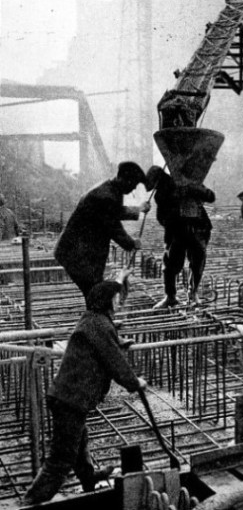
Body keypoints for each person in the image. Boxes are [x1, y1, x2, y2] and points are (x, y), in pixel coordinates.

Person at [20, 273, 147, 506]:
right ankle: (29, 502)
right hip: (71, 399)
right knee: (61, 459)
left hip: (66, 396)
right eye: (116, 299)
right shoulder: (100, 325)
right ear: (106, 301)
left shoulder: (93, 320)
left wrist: (119, 343)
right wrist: (135, 382)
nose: (119, 303)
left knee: (79, 441)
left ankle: (88, 478)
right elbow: (115, 362)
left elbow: (104, 344)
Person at [54, 162, 150, 302]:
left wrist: (138, 209)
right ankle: (98, 322)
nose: (134, 188)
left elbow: (115, 211)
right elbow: (113, 227)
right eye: (133, 185)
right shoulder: (106, 196)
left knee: (93, 291)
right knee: (94, 292)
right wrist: (131, 243)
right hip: (76, 253)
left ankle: (98, 320)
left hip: (83, 251)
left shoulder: (110, 189)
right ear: (125, 180)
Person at [145, 166, 215, 308]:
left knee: (197, 262)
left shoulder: (190, 182)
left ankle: (192, 293)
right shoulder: (162, 192)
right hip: (177, 230)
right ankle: (171, 297)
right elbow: (161, 217)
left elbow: (210, 196)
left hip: (198, 228)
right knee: (171, 264)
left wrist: (192, 189)